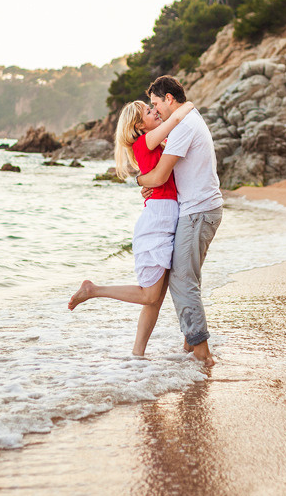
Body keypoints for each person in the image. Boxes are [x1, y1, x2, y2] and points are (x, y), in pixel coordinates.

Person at [68, 98, 195, 357]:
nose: (155, 111)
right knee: (149, 296)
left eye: (154, 107)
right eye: (149, 111)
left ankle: (139, 355)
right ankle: (93, 290)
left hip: (164, 220)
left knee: (155, 299)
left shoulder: (156, 145)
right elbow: (174, 121)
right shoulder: (143, 142)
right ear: (139, 125)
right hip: (157, 225)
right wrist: (187, 105)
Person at [137, 76, 223, 367]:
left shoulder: (183, 126)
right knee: (189, 278)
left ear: (169, 99)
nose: (156, 109)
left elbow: (160, 175)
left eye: (156, 103)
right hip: (202, 209)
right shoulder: (188, 120)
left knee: (182, 280)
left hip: (198, 212)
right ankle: (190, 345)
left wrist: (140, 180)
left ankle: (203, 355)